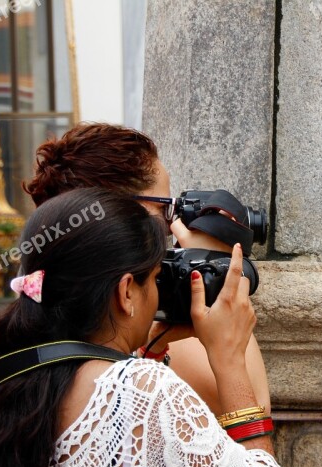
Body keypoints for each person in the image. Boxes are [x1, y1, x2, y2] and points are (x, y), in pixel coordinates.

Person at [0, 189, 291, 467]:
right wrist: (230, 360)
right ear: (126, 292)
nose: (158, 293)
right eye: (155, 278)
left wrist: (146, 353)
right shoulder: (146, 391)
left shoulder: (5, 378)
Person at [22, 123, 269, 416]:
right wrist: (216, 270)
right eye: (164, 208)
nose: (171, 225)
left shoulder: (56, 289)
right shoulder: (130, 300)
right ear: (120, 212)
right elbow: (255, 405)